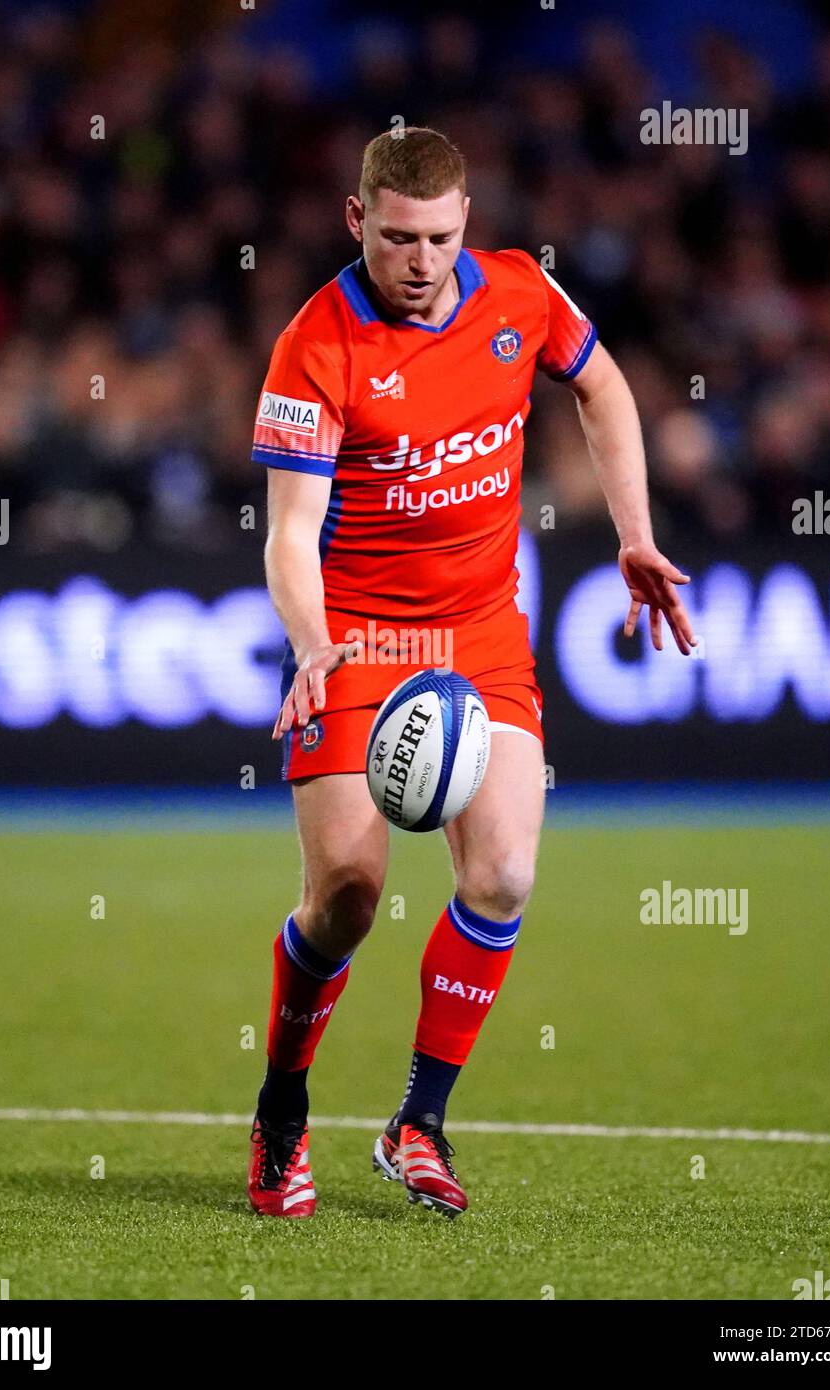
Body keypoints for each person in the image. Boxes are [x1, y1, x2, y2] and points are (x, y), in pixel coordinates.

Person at [248, 126, 696, 1218]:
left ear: (467, 224)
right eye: (398, 237)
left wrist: (633, 534)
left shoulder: (517, 293)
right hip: (354, 637)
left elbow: (605, 392)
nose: (420, 260)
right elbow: (289, 532)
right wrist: (311, 644)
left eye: (441, 237)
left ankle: (418, 1122)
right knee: (346, 898)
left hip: (481, 632)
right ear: (359, 222)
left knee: (500, 877)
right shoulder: (316, 343)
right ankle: (281, 1107)